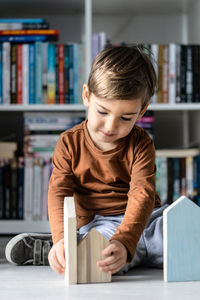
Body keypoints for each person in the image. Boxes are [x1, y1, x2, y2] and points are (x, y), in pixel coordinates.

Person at [5, 45, 167, 276]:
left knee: (187, 231)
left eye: (125, 117)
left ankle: (124, 251)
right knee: (99, 259)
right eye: (102, 112)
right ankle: (64, 249)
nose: (111, 126)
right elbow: (58, 192)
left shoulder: (142, 143)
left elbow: (142, 193)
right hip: (100, 223)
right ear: (86, 96)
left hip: (147, 219)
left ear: (142, 112)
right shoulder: (69, 143)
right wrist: (61, 237)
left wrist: (126, 240)